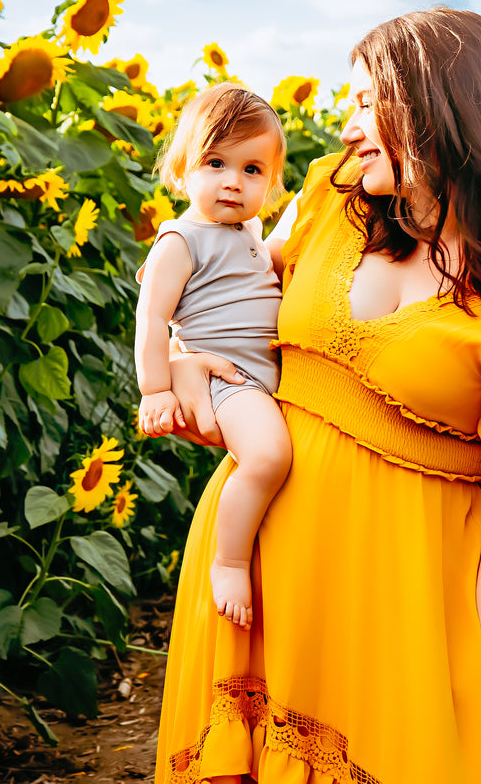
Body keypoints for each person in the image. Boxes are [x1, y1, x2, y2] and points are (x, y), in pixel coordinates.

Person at [154, 8, 481, 784]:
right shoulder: (329, 199)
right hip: (249, 577)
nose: (347, 129)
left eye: (365, 102)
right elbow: (222, 300)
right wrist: (187, 368)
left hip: (391, 612)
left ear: (437, 106)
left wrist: (458, 684)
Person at [135, 82, 293, 631]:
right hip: (229, 379)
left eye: (252, 170)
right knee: (267, 458)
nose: (233, 181)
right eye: (216, 162)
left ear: (270, 183)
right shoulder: (180, 241)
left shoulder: (250, 230)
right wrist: (156, 389)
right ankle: (229, 563)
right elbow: (152, 319)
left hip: (262, 378)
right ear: (182, 169)